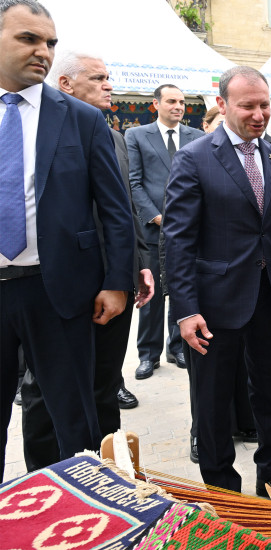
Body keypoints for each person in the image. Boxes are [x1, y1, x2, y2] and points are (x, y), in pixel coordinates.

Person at [0, 0, 134, 482]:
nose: (43, 51)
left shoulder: (81, 118)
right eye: (28, 39)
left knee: (75, 420)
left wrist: (117, 281)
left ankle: (85, 508)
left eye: (51, 43)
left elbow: (115, 209)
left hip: (57, 291)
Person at [163, 65, 271, 499]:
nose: (259, 115)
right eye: (248, 106)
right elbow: (178, 239)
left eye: (264, 105)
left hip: (269, 298)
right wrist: (185, 310)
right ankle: (223, 491)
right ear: (222, 104)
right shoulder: (194, 157)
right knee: (212, 401)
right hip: (213, 303)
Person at [18, 50, 156, 471]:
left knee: (103, 384)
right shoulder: (34, 130)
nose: (108, 85)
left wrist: (136, 263)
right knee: (45, 389)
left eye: (108, 77)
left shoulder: (111, 134)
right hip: (59, 281)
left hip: (112, 281)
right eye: (97, 78)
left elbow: (123, 206)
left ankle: (107, 476)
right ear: (65, 84)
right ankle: (46, 479)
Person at [127, 83, 204, 379]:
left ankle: (177, 347)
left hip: (187, 230)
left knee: (181, 289)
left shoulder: (197, 136)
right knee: (152, 294)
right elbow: (134, 183)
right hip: (152, 230)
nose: (179, 107)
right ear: (156, 104)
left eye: (182, 102)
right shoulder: (136, 135)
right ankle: (148, 354)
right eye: (172, 101)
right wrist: (157, 217)